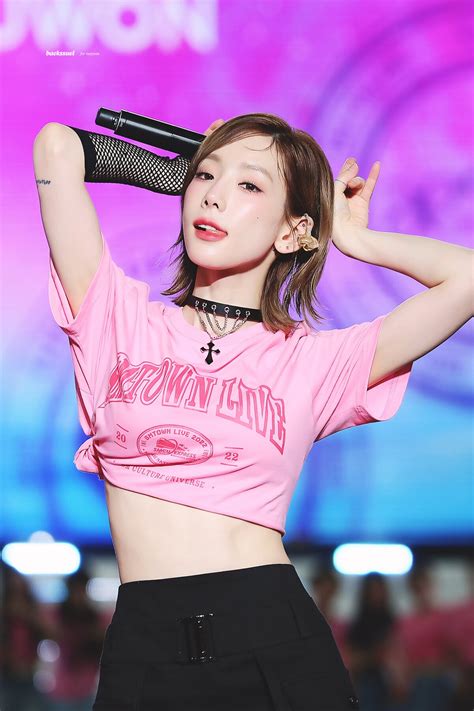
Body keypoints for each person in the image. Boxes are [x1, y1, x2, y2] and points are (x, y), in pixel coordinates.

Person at [33, 112, 472, 710]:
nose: (214, 195)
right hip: (144, 646)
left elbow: (467, 278)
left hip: (274, 639)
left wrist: (355, 239)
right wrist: (190, 168)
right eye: (205, 178)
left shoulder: (314, 361)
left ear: (293, 232)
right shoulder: (116, 320)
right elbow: (57, 147)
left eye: (249, 186)